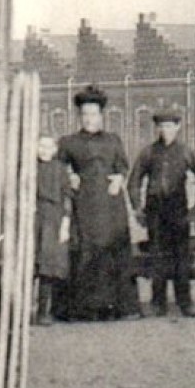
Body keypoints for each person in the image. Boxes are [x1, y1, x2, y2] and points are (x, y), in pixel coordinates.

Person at [55, 88, 138, 321]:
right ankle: (86, 308)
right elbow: (59, 167)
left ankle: (118, 306)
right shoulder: (69, 142)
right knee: (86, 251)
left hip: (111, 204)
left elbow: (122, 165)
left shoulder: (113, 140)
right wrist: (70, 175)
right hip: (85, 203)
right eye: (85, 115)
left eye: (93, 114)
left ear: (101, 115)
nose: (89, 119)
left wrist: (119, 178)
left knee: (114, 249)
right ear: (80, 117)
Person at [127, 109, 195, 318]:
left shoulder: (186, 152)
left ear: (178, 127)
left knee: (181, 256)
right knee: (157, 255)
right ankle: (158, 301)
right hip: (155, 211)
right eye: (161, 126)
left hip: (178, 210)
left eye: (169, 126)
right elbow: (134, 182)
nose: (165, 130)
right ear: (157, 128)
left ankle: (184, 302)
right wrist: (138, 209)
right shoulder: (148, 152)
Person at [33, 135, 71, 326]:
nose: (44, 150)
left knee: (48, 268)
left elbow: (67, 196)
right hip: (33, 218)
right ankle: (24, 311)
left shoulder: (61, 169)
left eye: (48, 146)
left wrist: (65, 223)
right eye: (40, 146)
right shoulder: (28, 168)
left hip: (53, 218)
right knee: (31, 263)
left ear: (55, 149)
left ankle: (43, 311)